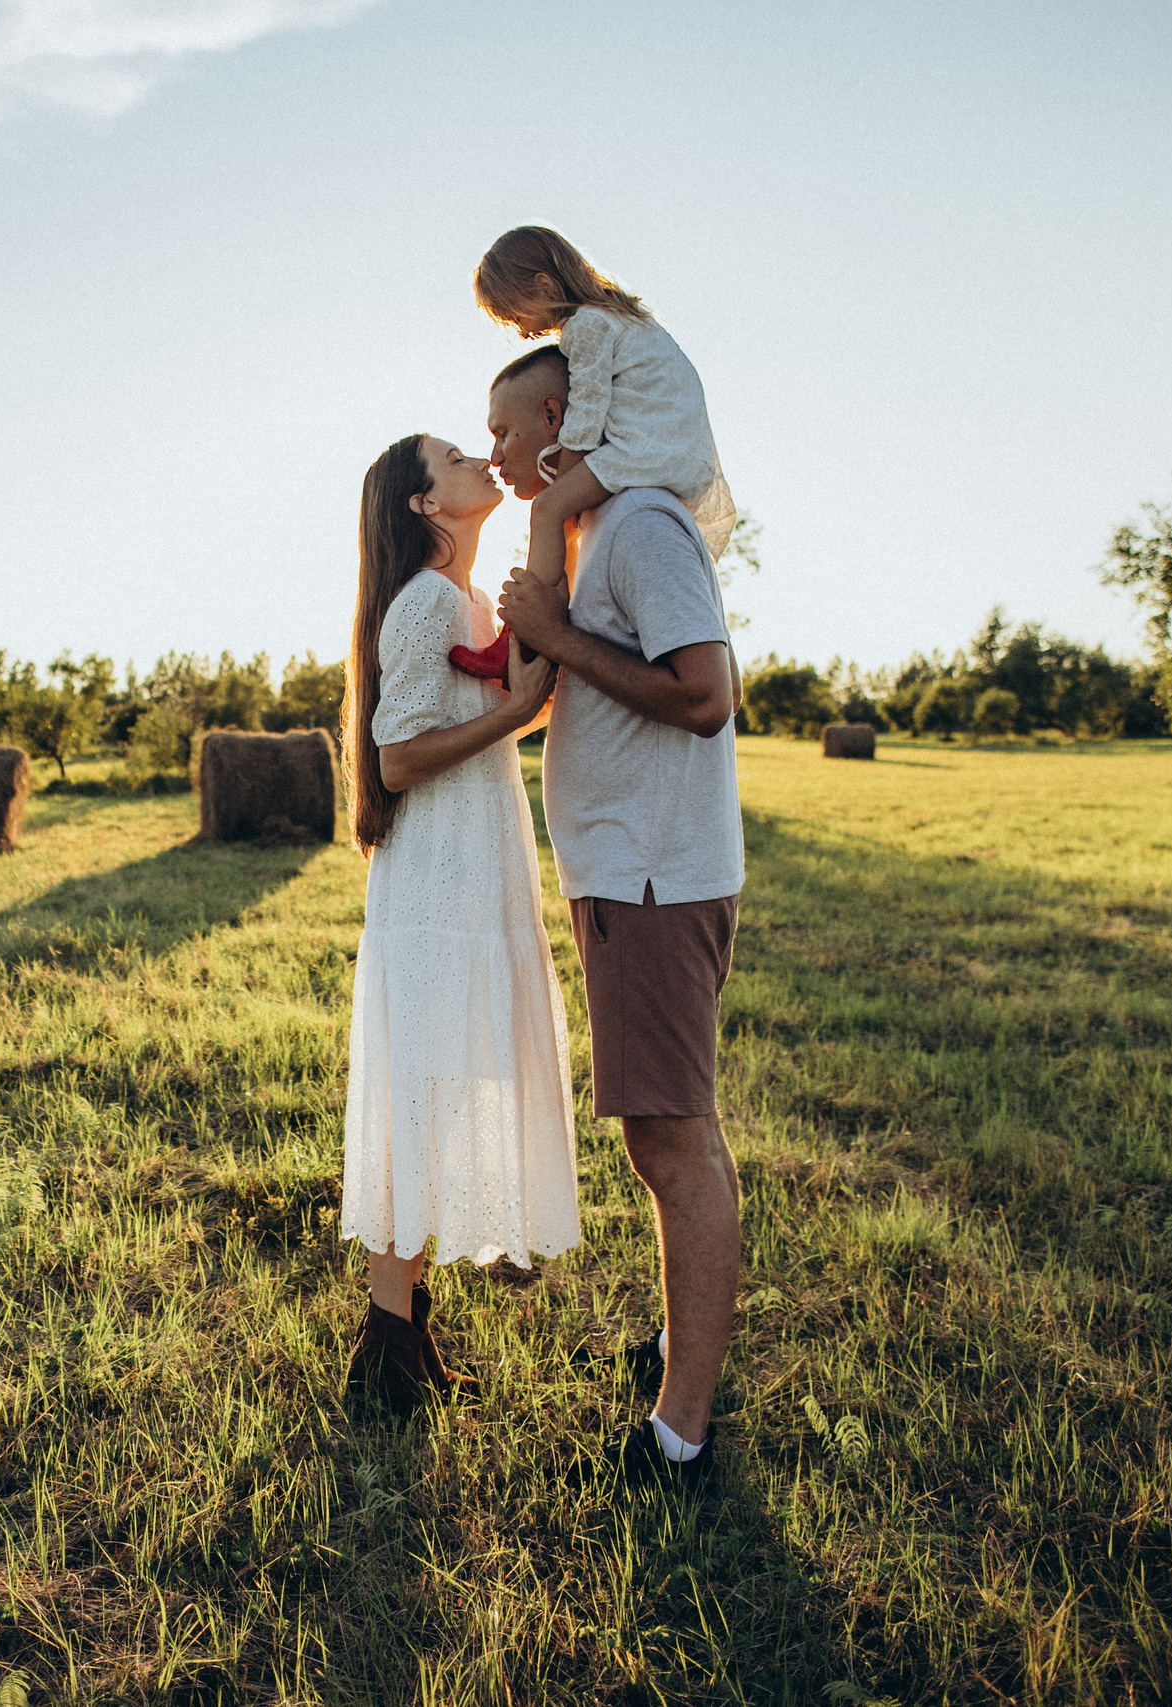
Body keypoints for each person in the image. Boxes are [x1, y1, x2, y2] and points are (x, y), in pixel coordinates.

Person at [490, 346, 745, 1488]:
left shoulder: (639, 526)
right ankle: (683, 1347)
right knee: (673, 1131)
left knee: (668, 1139)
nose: (495, 452)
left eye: (504, 430)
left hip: (653, 877)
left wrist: (555, 637)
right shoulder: (600, 537)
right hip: (634, 873)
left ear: (558, 417)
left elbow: (705, 694)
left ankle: (679, 1433)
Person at [339, 432, 577, 1416]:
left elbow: (498, 709)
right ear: (424, 504)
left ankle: (398, 1338)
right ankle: (386, 1347)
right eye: (453, 457)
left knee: (432, 1097)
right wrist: (513, 712)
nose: (480, 458)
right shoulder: (427, 603)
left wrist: (526, 698)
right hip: (438, 883)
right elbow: (395, 759)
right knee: (422, 1100)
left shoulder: (464, 599)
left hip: (469, 870)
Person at [451, 225, 735, 681]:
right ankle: (538, 639)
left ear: (544, 286)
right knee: (563, 520)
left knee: (548, 510)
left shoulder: (586, 327)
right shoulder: (622, 318)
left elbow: (584, 415)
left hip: (644, 449)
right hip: (669, 448)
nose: (520, 329)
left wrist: (562, 485)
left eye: (515, 314)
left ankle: (519, 640)